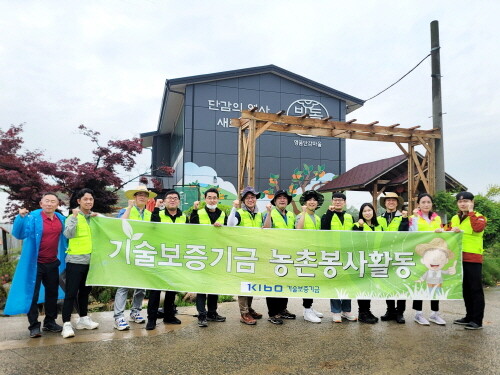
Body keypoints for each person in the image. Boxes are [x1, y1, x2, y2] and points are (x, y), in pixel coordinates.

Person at [4, 193, 67, 338]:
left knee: (53, 293)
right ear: (41, 203)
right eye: (47, 201)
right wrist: (20, 218)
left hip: (53, 263)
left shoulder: (60, 219)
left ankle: (50, 322)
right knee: (32, 294)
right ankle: (34, 326)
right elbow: (19, 234)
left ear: (57, 205)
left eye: (53, 202)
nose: (50, 204)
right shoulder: (33, 218)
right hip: (35, 264)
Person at [112, 185, 156, 330]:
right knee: (124, 285)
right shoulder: (125, 211)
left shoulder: (150, 214)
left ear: (147, 198)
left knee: (141, 286)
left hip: (143, 252)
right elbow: (119, 225)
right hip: (127, 252)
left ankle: (135, 311)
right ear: (134, 197)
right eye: (139, 195)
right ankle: (118, 316)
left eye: (144, 195)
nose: (142, 197)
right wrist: (129, 208)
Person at [61, 188, 100, 338]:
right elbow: (68, 234)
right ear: (79, 201)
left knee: (85, 292)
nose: (89, 202)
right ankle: (66, 324)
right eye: (85, 199)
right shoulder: (72, 216)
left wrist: (97, 217)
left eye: (91, 199)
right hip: (75, 261)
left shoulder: (95, 217)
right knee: (71, 293)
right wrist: (75, 217)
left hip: (91, 261)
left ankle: (83, 319)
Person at [146, 189, 188, 330]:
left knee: (171, 288)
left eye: (175, 198)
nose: (172, 200)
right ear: (164, 201)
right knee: (156, 289)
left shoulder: (184, 217)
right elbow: (152, 227)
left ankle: (169, 315)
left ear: (179, 201)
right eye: (169, 198)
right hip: (159, 256)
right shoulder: (158, 214)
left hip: (175, 256)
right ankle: (151, 318)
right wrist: (156, 208)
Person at [190, 188, 227, 327]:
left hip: (217, 254)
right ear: (205, 199)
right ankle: (201, 314)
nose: (212, 200)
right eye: (209, 197)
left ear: (218, 199)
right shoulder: (198, 212)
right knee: (202, 286)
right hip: (201, 254)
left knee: (214, 285)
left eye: (214, 197)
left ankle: (212, 312)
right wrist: (194, 210)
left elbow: (230, 231)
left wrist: (222, 227)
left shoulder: (223, 214)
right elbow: (191, 229)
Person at [227, 186, 264, 325]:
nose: (250, 199)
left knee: (251, 283)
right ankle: (244, 314)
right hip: (242, 254)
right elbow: (230, 225)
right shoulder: (239, 213)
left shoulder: (259, 214)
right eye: (247, 197)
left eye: (253, 197)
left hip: (255, 254)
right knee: (243, 284)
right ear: (243, 200)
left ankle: (249, 308)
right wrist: (233, 208)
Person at [450, 192, 487, 330]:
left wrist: (471, 212)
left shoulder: (479, 217)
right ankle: (469, 316)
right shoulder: (455, 217)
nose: (463, 204)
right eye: (460, 202)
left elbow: (478, 228)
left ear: (472, 202)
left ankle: (477, 320)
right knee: (465, 288)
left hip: (473, 257)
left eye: (466, 201)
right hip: (459, 257)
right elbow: (447, 230)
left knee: (475, 289)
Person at [409, 193, 446, 326]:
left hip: (435, 256)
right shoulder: (413, 218)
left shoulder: (437, 219)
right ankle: (418, 314)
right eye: (423, 202)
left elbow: (443, 235)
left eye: (428, 202)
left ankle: (434, 314)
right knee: (420, 283)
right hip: (420, 255)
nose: (426, 204)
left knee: (435, 284)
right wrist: (415, 218)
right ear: (418, 204)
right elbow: (411, 234)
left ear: (431, 204)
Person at [320, 192, 357, 323]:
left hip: (347, 254)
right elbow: (323, 229)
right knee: (334, 281)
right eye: (335, 200)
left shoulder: (349, 217)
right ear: (332, 202)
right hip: (333, 254)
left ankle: (346, 310)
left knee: (348, 282)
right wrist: (329, 213)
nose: (338, 202)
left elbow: (355, 235)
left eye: (340, 200)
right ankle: (336, 311)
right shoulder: (327, 215)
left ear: (344, 202)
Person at [263, 189, 297, 325]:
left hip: (287, 253)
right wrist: (269, 213)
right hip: (273, 253)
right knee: (272, 283)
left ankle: (282, 309)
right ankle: (273, 313)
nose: (282, 200)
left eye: (285, 198)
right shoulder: (269, 213)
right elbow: (265, 229)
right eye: (279, 198)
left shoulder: (290, 215)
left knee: (285, 281)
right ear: (275, 201)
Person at [377, 192, 408, 324]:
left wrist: (405, 220)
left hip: (400, 254)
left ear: (397, 203)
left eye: (393, 200)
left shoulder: (404, 217)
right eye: (388, 200)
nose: (390, 202)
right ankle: (390, 310)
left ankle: (400, 312)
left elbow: (406, 234)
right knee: (388, 284)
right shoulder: (379, 218)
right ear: (384, 203)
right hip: (385, 255)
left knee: (401, 284)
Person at [295, 190, 325, 324]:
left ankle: (310, 307)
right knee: (306, 281)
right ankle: (306, 310)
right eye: (309, 200)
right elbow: (298, 230)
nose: (312, 202)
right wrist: (303, 213)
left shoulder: (317, 218)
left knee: (312, 281)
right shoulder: (301, 215)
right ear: (305, 203)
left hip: (314, 253)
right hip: (303, 253)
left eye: (314, 200)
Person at [353, 203, 382, 324]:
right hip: (361, 260)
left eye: (369, 210)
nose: (367, 213)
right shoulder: (356, 225)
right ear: (361, 213)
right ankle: (362, 313)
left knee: (369, 287)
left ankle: (367, 311)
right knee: (363, 287)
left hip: (374, 260)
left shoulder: (379, 226)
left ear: (373, 212)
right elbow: (355, 241)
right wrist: (360, 227)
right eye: (364, 211)